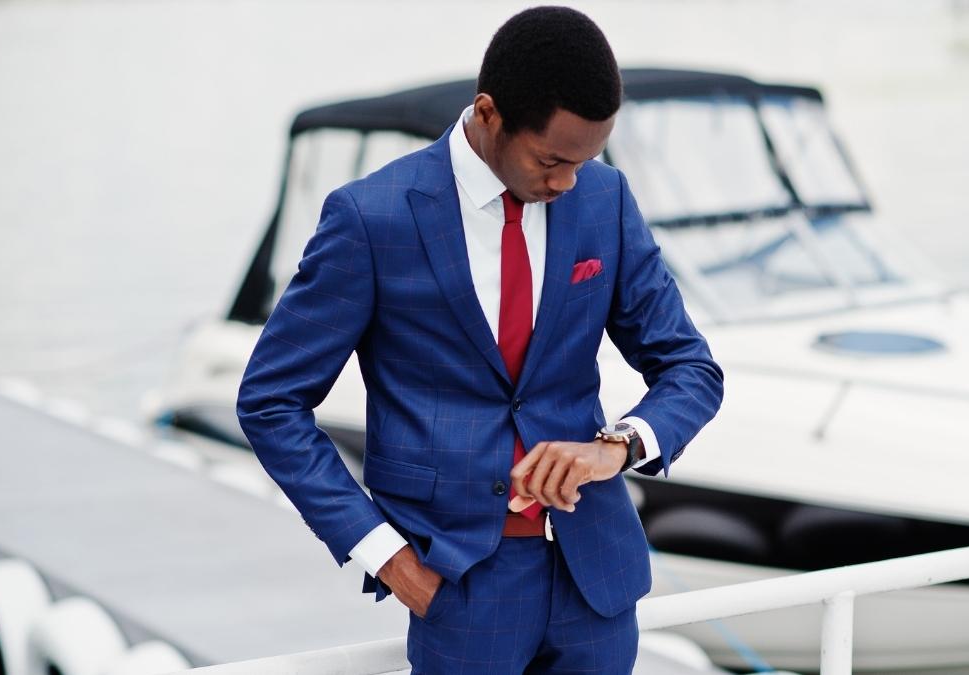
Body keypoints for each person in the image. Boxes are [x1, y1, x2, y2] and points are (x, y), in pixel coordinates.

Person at [235, 6, 723, 673]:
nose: (567, 182)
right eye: (552, 159)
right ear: (489, 114)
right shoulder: (371, 218)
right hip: (461, 585)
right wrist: (384, 553)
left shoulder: (603, 200)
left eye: (586, 160)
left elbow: (691, 366)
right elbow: (270, 401)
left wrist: (617, 446)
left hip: (597, 579)